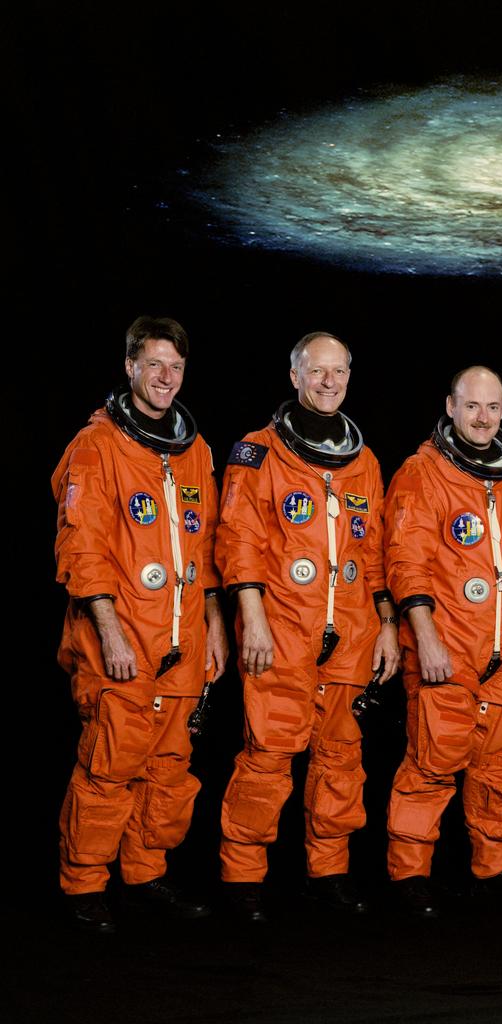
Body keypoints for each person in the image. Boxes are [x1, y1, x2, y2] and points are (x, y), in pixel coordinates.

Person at [53, 316, 229, 933]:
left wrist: (214, 626)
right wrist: (110, 633)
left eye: (175, 366)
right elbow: (82, 549)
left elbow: (205, 549)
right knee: (109, 767)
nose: (164, 377)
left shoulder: (195, 450)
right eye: (153, 364)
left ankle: (145, 874)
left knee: (168, 769)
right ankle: (83, 885)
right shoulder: (96, 446)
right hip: (121, 640)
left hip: (180, 643)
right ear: (129, 367)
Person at [216, 331, 399, 920]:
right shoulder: (257, 451)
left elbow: (371, 556)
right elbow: (237, 542)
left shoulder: (364, 461)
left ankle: (329, 871)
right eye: (317, 372)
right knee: (268, 755)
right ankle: (243, 876)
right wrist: (253, 621)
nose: (328, 382)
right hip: (281, 630)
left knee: (341, 757)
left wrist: (386, 624)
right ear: (294, 376)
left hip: (348, 632)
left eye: (339, 372)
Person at [383, 366, 502, 917]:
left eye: (493, 407)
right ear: (450, 407)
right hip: (446, 646)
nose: (483, 419)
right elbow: (407, 565)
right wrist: (425, 640)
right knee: (431, 762)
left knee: (500, 766)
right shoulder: (421, 473)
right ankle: (410, 874)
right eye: (472, 407)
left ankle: (495, 867)